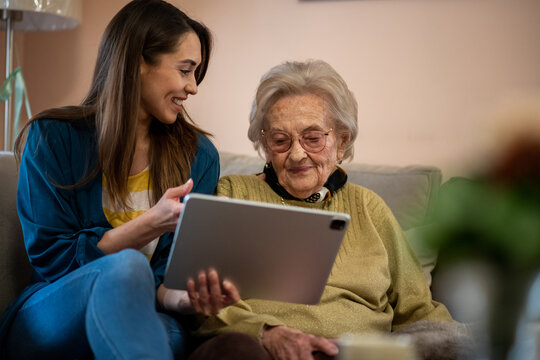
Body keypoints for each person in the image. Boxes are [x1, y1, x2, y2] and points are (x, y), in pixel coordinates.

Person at [0, 1, 240, 359]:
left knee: (163, 328)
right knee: (127, 267)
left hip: (146, 316)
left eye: (196, 74)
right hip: (53, 313)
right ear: (138, 63)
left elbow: (164, 282)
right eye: (185, 70)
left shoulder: (199, 157)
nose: (193, 88)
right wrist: (149, 225)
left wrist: (187, 299)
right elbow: (53, 261)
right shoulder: (52, 138)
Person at [187, 60, 469, 360]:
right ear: (265, 144)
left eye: (313, 138)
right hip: (261, 349)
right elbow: (201, 300)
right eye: (280, 140)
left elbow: (418, 310)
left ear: (342, 140)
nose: (297, 154)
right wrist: (267, 332)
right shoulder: (234, 194)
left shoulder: (369, 207)